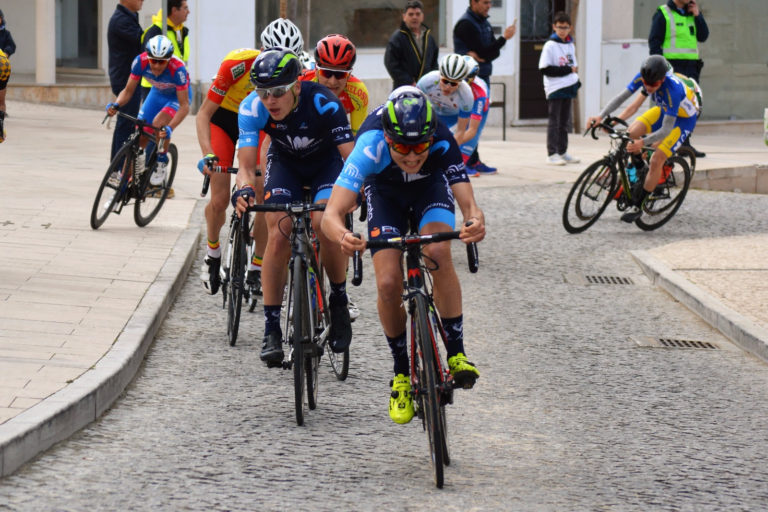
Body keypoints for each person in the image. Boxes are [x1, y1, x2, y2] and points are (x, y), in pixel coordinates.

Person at [320, 87, 485, 424]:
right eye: (402, 149)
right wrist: (345, 236)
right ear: (387, 138)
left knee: (438, 250)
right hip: (385, 193)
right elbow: (330, 216)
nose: (412, 157)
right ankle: (400, 375)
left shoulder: (440, 137)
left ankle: (456, 352)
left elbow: (469, 203)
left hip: (429, 188)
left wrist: (474, 222)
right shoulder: (369, 145)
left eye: (419, 148)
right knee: (388, 283)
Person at [231, 47, 355, 366]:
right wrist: (244, 189)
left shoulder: (324, 102)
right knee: (279, 232)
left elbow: (351, 160)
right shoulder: (252, 108)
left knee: (321, 223)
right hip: (284, 163)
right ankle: (272, 328)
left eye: (277, 92)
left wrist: (358, 195)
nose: (270, 100)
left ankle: (338, 299)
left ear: (296, 86)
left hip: (325, 164)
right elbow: (245, 167)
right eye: (263, 92)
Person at [586, 55, 700, 223]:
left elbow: (666, 129)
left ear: (662, 80)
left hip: (683, 120)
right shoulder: (645, 78)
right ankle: (640, 169)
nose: (647, 86)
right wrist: (600, 116)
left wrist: (642, 143)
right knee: (630, 133)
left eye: (652, 84)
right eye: (645, 83)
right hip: (664, 111)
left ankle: (639, 205)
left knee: (656, 158)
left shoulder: (672, 91)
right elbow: (621, 97)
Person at [196, 48, 263, 298]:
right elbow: (203, 115)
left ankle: (256, 266)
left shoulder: (293, 74)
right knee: (220, 199)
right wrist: (207, 153)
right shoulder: (237, 64)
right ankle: (213, 253)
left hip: (258, 122)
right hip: (223, 119)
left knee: (264, 189)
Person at [106, 35, 190, 188]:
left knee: (158, 123)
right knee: (140, 133)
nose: (157, 66)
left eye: (162, 62)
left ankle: (162, 160)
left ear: (169, 59)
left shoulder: (178, 70)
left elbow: (185, 106)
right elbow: (128, 90)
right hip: (157, 94)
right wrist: (116, 105)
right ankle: (122, 184)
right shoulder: (140, 62)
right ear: (148, 58)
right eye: (153, 61)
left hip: (175, 98)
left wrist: (170, 127)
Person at [453, 0, 516, 178]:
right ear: (473, 2)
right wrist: (504, 39)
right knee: (468, 122)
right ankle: (461, 162)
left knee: (477, 123)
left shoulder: (484, 22)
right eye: (485, 2)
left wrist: (487, 52)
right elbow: (485, 51)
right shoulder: (466, 24)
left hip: (484, 77)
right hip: (471, 80)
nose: (489, 6)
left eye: (490, 2)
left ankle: (473, 159)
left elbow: (490, 53)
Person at [649, 0, 708, 157]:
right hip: (672, 68)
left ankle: (684, 144)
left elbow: (703, 36)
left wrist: (698, 15)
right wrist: (660, 69)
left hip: (691, 67)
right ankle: (661, 143)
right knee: (669, 106)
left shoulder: (692, 13)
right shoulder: (663, 13)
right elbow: (654, 43)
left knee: (691, 105)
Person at [417, 54, 478, 176]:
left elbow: (460, 132)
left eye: (453, 84)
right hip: (433, 113)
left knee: (446, 144)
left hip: (453, 119)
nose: (448, 87)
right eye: (445, 81)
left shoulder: (466, 95)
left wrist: (447, 153)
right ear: (440, 76)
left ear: (460, 82)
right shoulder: (427, 81)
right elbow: (416, 107)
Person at [539, 11, 581, 166]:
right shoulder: (550, 45)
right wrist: (567, 71)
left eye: (565, 27)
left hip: (568, 86)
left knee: (565, 122)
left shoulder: (570, 44)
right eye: (559, 27)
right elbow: (545, 68)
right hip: (555, 88)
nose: (562, 30)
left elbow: (573, 65)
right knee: (554, 121)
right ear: (554, 27)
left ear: (570, 28)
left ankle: (563, 151)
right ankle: (552, 153)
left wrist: (572, 74)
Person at [107, 0, 144, 161]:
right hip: (125, 80)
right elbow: (143, 42)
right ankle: (118, 168)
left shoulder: (129, 17)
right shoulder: (121, 21)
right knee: (126, 124)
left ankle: (117, 167)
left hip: (129, 78)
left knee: (125, 122)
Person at [140, 0, 191, 102]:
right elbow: (148, 62)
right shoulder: (155, 31)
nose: (188, 12)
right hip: (154, 87)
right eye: (185, 8)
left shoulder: (181, 31)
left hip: (174, 85)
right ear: (174, 10)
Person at [384, 0, 439, 90]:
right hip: (404, 88)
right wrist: (409, 82)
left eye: (418, 14)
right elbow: (391, 64)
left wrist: (433, 82)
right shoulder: (397, 38)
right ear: (404, 17)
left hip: (426, 89)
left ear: (422, 17)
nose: (414, 17)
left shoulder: (429, 38)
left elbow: (434, 63)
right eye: (411, 14)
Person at [460, 56, 493, 174]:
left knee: (472, 134)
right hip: (462, 101)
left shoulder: (479, 91)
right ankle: (472, 161)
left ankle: (462, 163)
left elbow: (473, 130)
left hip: (478, 104)